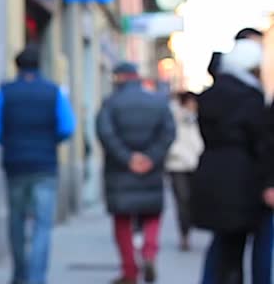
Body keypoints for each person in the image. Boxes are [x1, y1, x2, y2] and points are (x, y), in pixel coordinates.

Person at [0, 46, 75, 284]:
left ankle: (19, 275)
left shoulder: (6, 92)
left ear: (18, 67)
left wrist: (10, 141)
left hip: (15, 166)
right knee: (42, 225)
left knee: (16, 220)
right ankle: (36, 279)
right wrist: (49, 140)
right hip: (45, 166)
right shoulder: (54, 92)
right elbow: (67, 127)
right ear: (39, 66)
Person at [193, 39, 274, 284]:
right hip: (246, 178)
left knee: (223, 243)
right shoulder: (250, 98)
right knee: (258, 243)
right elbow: (261, 143)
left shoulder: (210, 96)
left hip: (213, 175)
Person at [97, 62, 175, 284]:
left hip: (120, 170)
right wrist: (151, 157)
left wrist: (128, 158)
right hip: (150, 170)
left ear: (119, 78)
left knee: (122, 220)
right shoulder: (158, 102)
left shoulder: (110, 103)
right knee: (151, 214)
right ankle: (149, 254)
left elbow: (105, 133)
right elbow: (168, 132)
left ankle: (130, 271)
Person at [166, 91, 203, 251]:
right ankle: (184, 234)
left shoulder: (199, 119)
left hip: (196, 164)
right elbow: (170, 141)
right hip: (177, 165)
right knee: (182, 200)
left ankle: (189, 228)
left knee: (193, 200)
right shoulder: (172, 117)